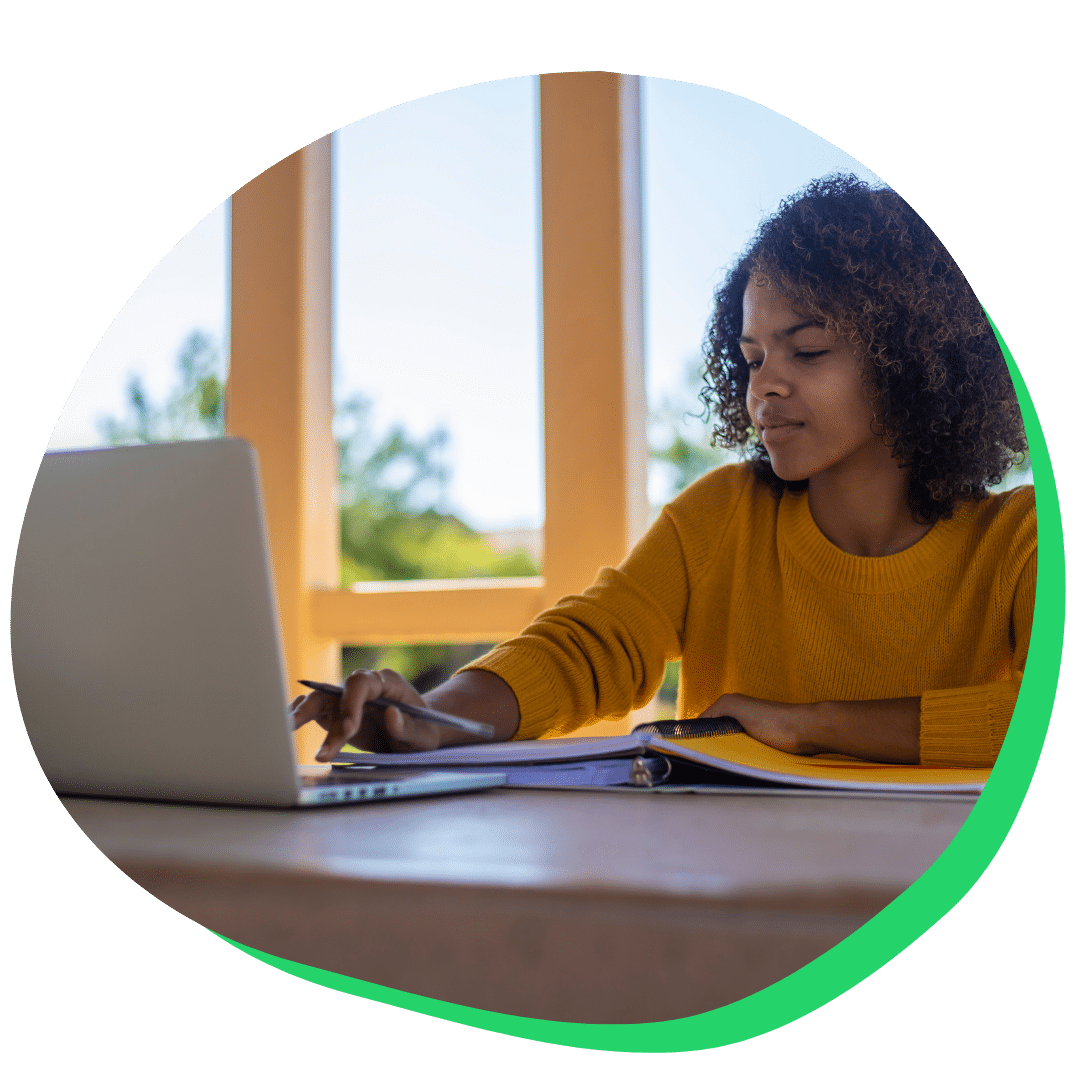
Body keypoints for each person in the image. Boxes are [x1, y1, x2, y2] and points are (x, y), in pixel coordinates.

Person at [293, 174, 1034, 770]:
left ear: (915, 361)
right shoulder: (723, 517)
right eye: (751, 359)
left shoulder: (1020, 541)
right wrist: (434, 719)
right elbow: (585, 647)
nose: (763, 387)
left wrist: (813, 726)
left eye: (806, 351)